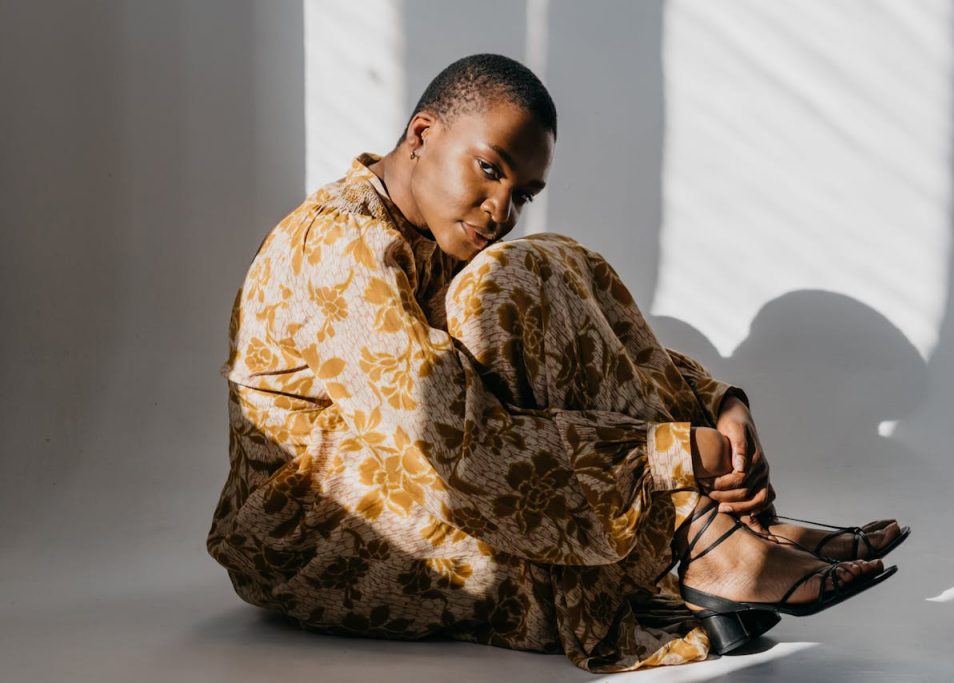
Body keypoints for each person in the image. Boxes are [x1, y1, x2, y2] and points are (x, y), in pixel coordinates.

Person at [207, 54, 907, 673]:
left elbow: (561, 347)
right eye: (490, 169)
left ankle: (721, 532)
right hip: (313, 533)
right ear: (421, 135)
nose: (501, 207)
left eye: (523, 192)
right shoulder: (338, 249)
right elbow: (461, 449)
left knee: (543, 265)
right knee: (512, 283)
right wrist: (675, 453)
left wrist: (718, 405)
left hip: (420, 483)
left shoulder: (428, 229)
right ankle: (708, 541)